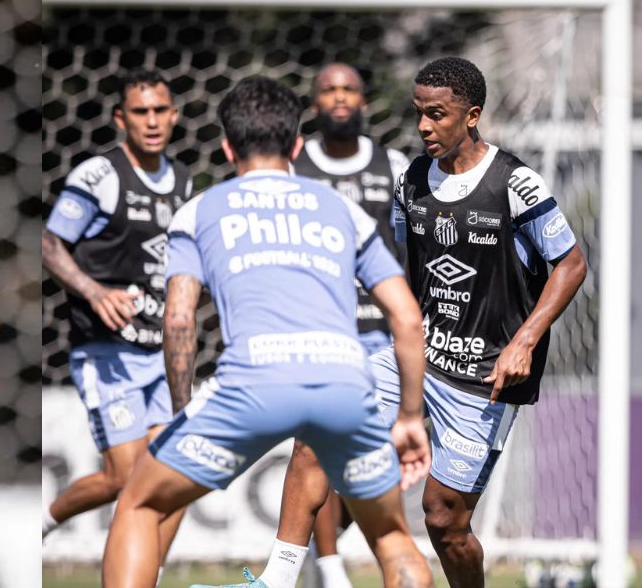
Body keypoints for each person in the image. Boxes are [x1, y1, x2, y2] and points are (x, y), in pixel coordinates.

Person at [253, 56, 587, 588]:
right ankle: (275, 578)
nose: (424, 127)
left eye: (438, 115)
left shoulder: (516, 183)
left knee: (444, 519)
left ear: (471, 115)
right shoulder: (413, 180)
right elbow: (409, 273)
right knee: (319, 428)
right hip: (420, 356)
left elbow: (571, 265)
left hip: (484, 378)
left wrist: (524, 340)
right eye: (418, 114)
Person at [100, 76, 433, 588]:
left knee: (140, 503)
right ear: (297, 145)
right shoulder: (341, 210)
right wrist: (409, 414)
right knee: (390, 538)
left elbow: (179, 319)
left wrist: (182, 408)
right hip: (345, 382)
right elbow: (408, 318)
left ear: (227, 145)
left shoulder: (200, 210)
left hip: (254, 381)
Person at [41, 69, 193, 572]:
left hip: (161, 354)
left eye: (159, 110)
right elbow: (50, 243)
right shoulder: (99, 175)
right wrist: (92, 289)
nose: (152, 121)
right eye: (140, 112)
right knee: (125, 478)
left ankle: (143, 575)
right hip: (109, 353)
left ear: (174, 115)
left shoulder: (186, 183)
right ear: (121, 118)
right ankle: (42, 521)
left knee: (174, 478)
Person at [290, 62, 411, 588]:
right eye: (328, 90)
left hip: (383, 339)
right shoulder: (293, 166)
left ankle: (365, 561)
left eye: (349, 89)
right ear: (314, 103)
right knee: (318, 452)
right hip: (316, 335)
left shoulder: (398, 166)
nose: (339, 98)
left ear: (364, 100)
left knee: (370, 463)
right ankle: (330, 569)